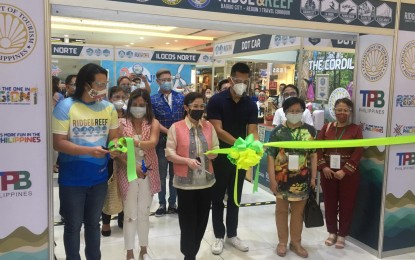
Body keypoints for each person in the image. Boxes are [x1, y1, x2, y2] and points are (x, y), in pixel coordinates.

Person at [52, 63, 119, 260]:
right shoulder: (65, 106)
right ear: (85, 83)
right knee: (73, 226)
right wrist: (90, 151)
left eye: (105, 84)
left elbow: (113, 137)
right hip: (72, 178)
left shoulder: (108, 108)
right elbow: (59, 143)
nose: (102, 88)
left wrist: (114, 147)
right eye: (99, 84)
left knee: (93, 224)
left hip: (98, 178)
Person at [207, 62, 258, 255]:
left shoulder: (250, 104)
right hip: (220, 157)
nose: (242, 84)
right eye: (238, 80)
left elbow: (253, 130)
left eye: (245, 81)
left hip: (241, 158)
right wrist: (239, 143)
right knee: (218, 197)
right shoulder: (217, 101)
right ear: (230, 79)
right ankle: (219, 235)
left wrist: (253, 145)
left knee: (235, 197)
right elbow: (217, 130)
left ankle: (233, 234)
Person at [165, 92, 219, 260]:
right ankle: (189, 254)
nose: (199, 109)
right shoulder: (176, 127)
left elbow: (216, 147)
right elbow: (169, 153)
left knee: (202, 220)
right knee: (188, 222)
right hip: (185, 184)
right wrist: (186, 161)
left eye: (202, 106)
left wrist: (213, 154)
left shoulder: (209, 126)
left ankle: (192, 251)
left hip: (206, 182)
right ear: (186, 108)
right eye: (195, 106)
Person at [267, 97, 317, 258]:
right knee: (281, 210)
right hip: (282, 178)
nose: (295, 114)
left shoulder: (310, 131)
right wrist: (272, 179)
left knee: (298, 212)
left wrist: (313, 178)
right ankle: (282, 242)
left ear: (303, 112)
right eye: (291, 111)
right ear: (285, 112)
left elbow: (314, 156)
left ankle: (296, 243)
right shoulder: (278, 132)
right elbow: (270, 156)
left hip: (302, 178)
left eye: (298, 111)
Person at [115, 88, 161, 260]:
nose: (138, 108)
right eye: (135, 104)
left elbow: (152, 143)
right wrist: (131, 167)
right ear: (129, 104)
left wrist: (134, 141)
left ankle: (143, 250)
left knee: (144, 212)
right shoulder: (121, 123)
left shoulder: (153, 123)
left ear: (147, 106)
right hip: (127, 171)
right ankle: (129, 252)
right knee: (129, 214)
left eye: (142, 105)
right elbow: (118, 151)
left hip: (149, 171)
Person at [317, 98, 363, 249]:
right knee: (329, 202)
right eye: (339, 110)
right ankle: (331, 232)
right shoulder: (326, 127)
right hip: (328, 172)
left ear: (350, 112)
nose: (342, 113)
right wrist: (323, 166)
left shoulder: (356, 129)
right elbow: (317, 149)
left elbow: (358, 151)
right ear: (334, 111)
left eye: (345, 110)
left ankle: (342, 234)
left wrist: (345, 170)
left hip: (348, 174)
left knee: (346, 204)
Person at [151, 68, 185, 216]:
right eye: (163, 80)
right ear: (158, 81)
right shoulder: (152, 99)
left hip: (179, 142)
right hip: (161, 142)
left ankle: (172, 203)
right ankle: (161, 204)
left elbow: (185, 118)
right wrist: (169, 132)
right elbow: (152, 121)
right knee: (161, 174)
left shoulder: (181, 98)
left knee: (175, 174)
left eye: (169, 79)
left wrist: (177, 133)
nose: (167, 82)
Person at [101, 86, 127, 236]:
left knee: (124, 188)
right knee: (109, 189)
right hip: (109, 157)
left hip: (125, 158)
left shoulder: (130, 116)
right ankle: (105, 222)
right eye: (116, 97)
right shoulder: (105, 114)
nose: (120, 100)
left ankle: (122, 217)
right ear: (110, 98)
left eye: (123, 97)